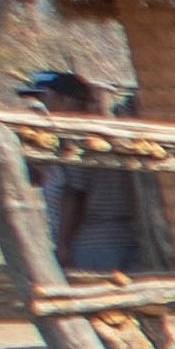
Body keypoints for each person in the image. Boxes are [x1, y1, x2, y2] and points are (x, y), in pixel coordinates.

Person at [21, 73, 144, 279]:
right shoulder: (104, 133)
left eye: (45, 100)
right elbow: (37, 178)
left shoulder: (78, 140)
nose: (43, 109)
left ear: (65, 100)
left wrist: (63, 244)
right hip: (122, 236)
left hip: (91, 242)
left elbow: (75, 195)